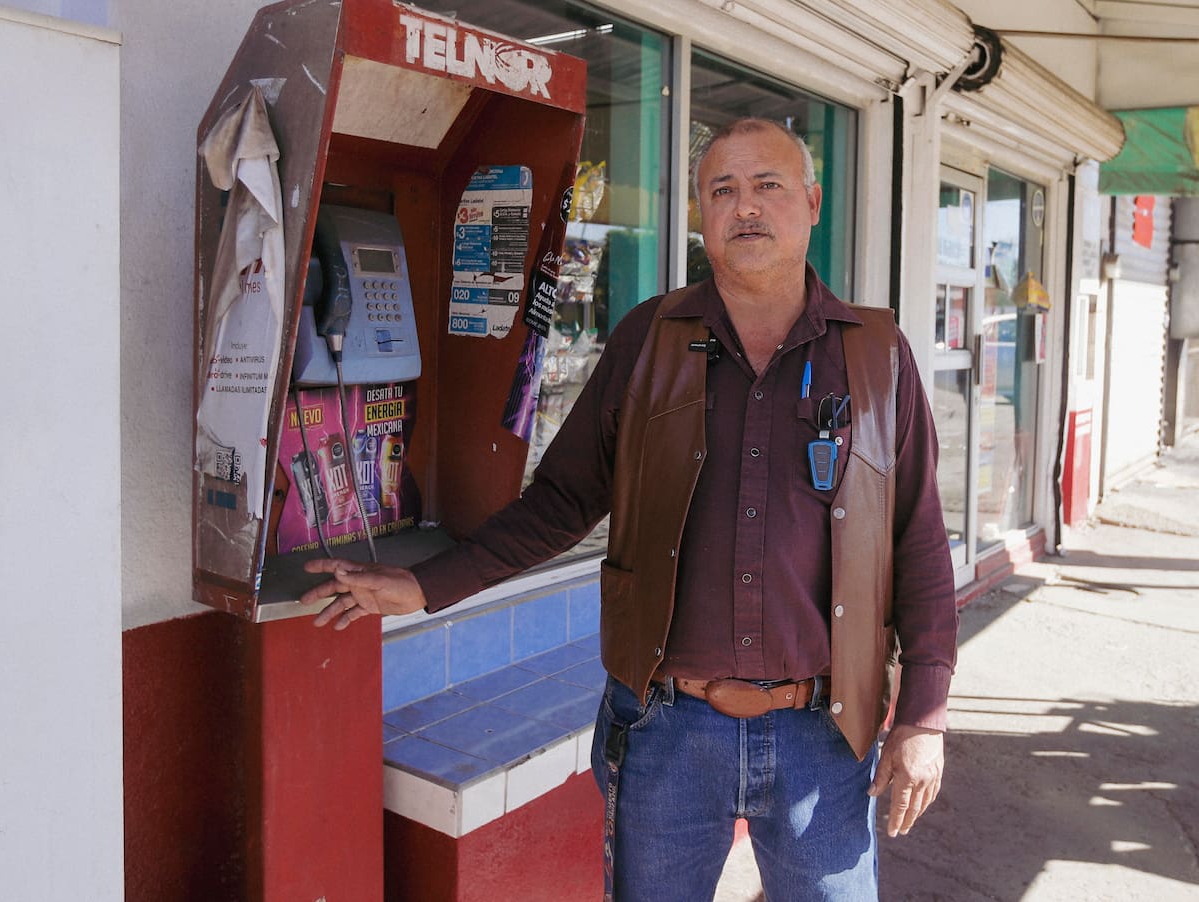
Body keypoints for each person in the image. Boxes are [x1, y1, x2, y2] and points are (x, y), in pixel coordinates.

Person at [300, 117, 957, 901]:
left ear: (812, 203)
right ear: (700, 218)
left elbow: (917, 539)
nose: (746, 207)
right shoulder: (649, 339)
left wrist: (923, 716)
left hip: (826, 729)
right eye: (723, 190)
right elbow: (563, 500)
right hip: (665, 733)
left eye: (768, 186)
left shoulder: (877, 354)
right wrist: (427, 586)